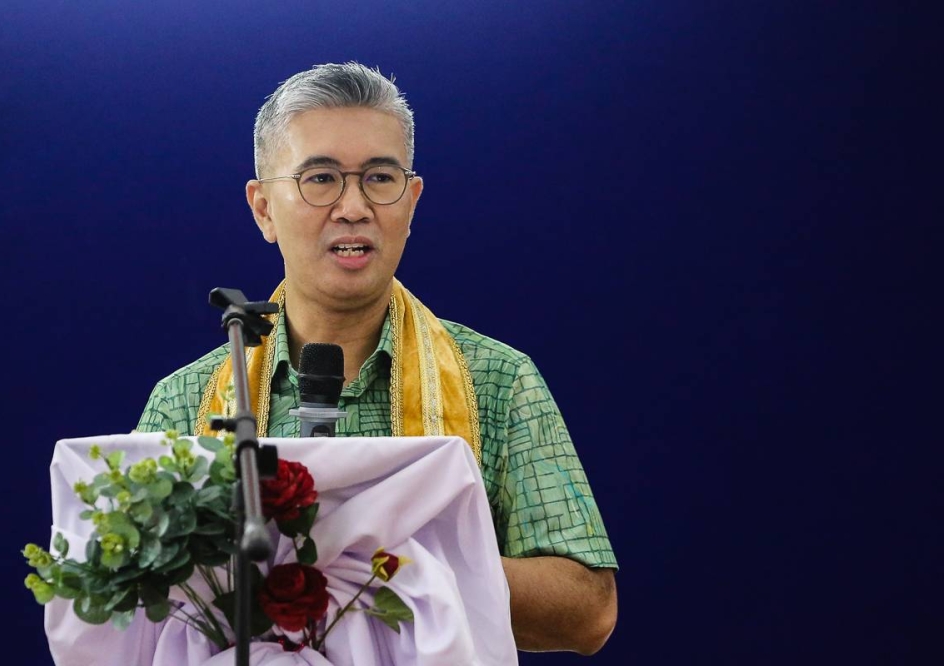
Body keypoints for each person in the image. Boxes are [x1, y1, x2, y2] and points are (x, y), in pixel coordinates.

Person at [137, 61, 618, 655]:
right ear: (263, 208)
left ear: (411, 201)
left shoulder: (495, 380)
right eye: (320, 178)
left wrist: (394, 565)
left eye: (379, 178)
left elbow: (589, 613)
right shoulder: (187, 400)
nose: (354, 207)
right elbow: (136, 604)